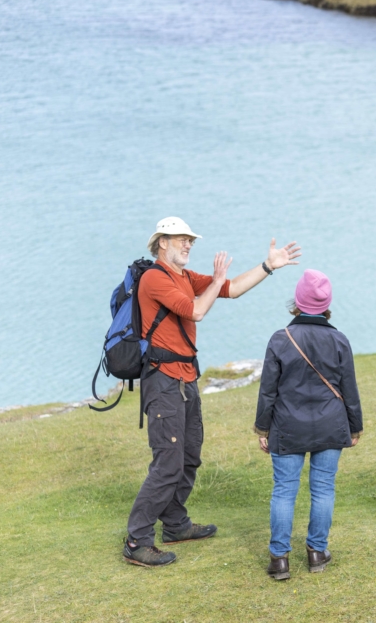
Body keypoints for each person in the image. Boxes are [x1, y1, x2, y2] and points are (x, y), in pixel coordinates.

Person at [123, 217, 301, 568]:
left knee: (189, 456)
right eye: (181, 240)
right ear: (162, 243)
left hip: (186, 381)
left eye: (191, 240)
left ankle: (175, 524)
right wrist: (217, 279)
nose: (188, 245)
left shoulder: (185, 277)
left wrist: (268, 266)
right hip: (163, 382)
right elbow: (197, 310)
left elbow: (231, 289)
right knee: (167, 465)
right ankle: (136, 540)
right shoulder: (154, 279)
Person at [253, 269, 363, 580]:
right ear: (327, 304)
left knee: (284, 490)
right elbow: (350, 390)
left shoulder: (280, 339)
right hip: (331, 425)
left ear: (297, 302)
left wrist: (263, 429)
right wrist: (354, 428)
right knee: (323, 488)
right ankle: (317, 552)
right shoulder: (339, 339)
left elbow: (268, 391)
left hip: (287, 426)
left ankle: (279, 559)